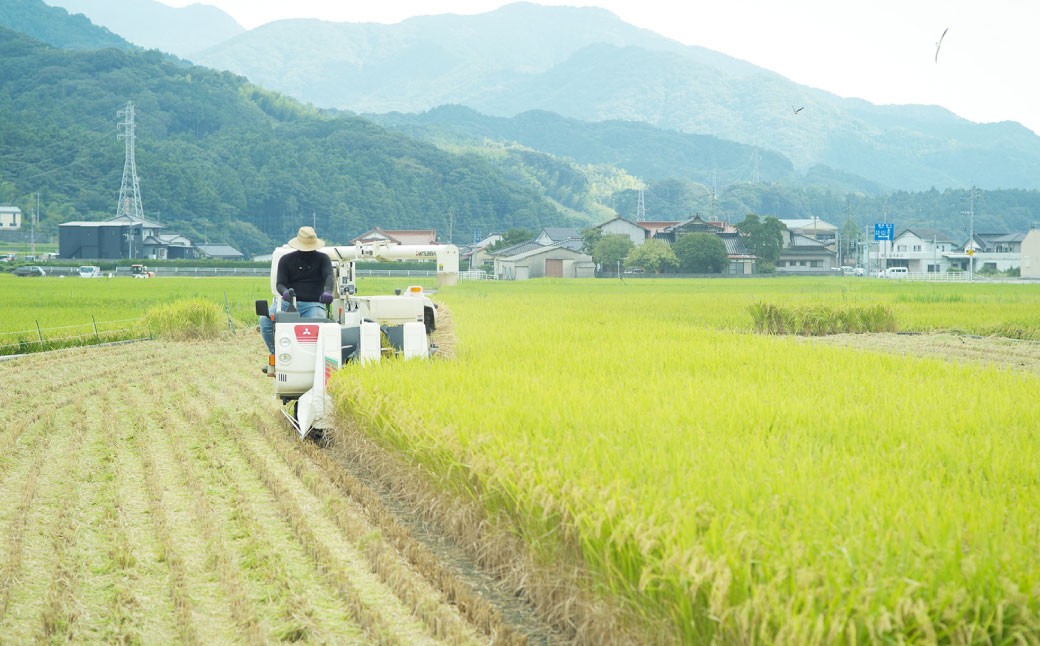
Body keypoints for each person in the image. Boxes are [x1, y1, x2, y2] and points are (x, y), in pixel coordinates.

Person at [259, 226, 335, 355]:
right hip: (288, 303)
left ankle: (314, 357)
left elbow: (329, 276)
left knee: (318, 325)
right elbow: (280, 283)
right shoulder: (286, 260)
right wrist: (285, 292)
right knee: (265, 320)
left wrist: (328, 291)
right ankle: (276, 354)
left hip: (314, 304)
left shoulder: (323, 259)